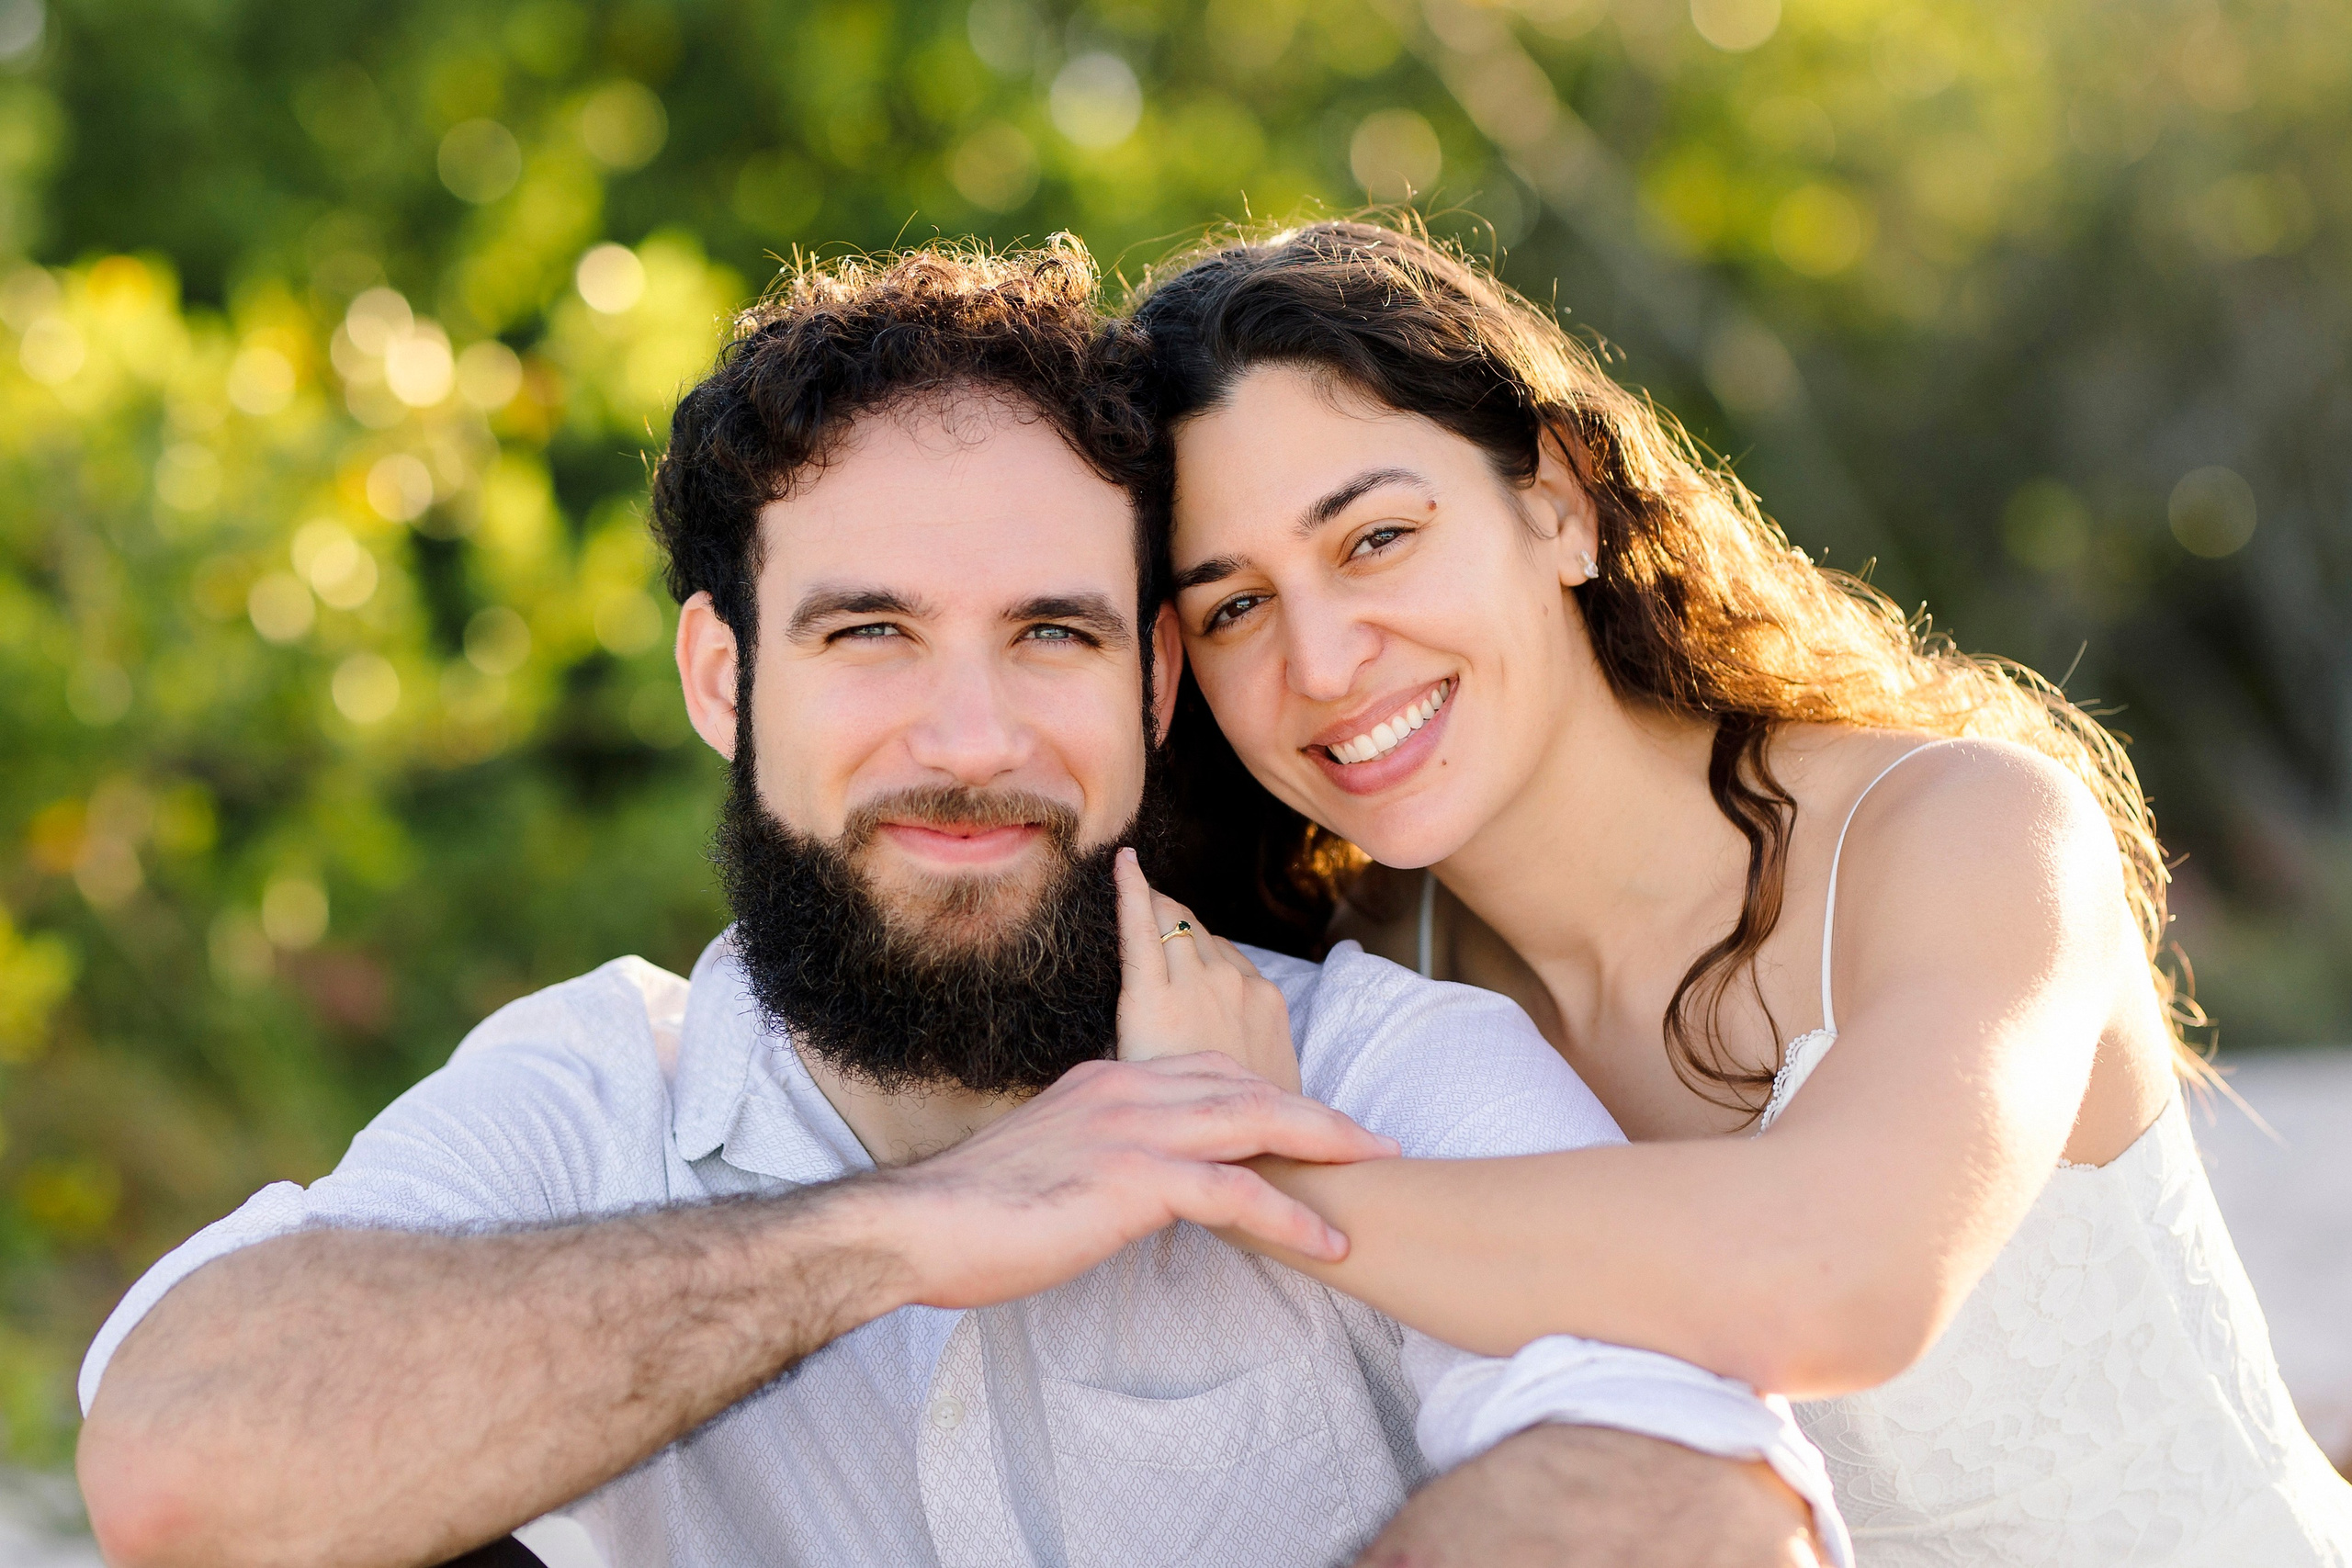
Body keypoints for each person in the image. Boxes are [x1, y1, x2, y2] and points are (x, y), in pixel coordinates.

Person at [72, 243, 1848, 1568]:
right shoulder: (605, 1088)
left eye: (1051, 635)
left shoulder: (1369, 1069)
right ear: (723, 679)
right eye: (871, 633)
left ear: (1154, 680)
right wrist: (905, 1231)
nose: (973, 739)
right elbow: (182, 1460)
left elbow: (1689, 1494)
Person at [1128, 219, 2352, 1566]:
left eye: (1375, 539)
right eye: (1234, 606)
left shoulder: (1968, 831)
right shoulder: (1359, 991)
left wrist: (1254, 1172)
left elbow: (1845, 1281)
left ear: (1559, 505)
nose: (1320, 661)